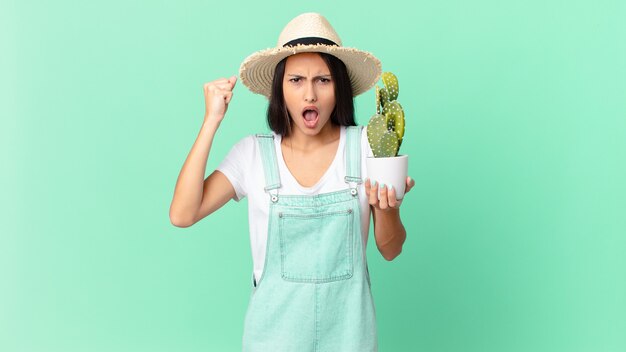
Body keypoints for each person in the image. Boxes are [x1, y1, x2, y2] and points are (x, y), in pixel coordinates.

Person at [169, 12, 414, 352]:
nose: (309, 95)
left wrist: (389, 208)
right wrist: (212, 120)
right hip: (271, 340)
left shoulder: (367, 147)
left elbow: (391, 248)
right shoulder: (253, 154)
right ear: (279, 89)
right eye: (296, 80)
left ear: (339, 87)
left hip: (349, 339)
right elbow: (182, 214)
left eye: (323, 80)